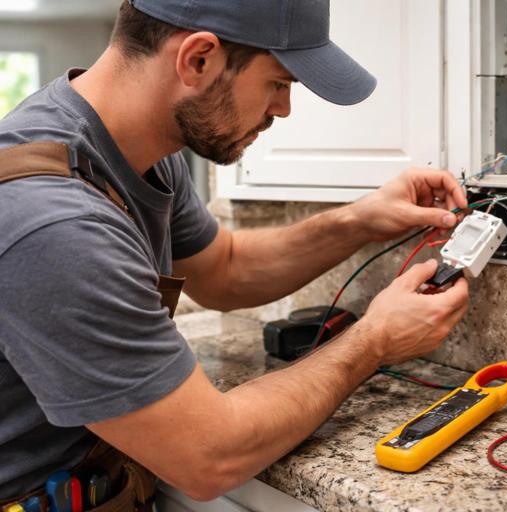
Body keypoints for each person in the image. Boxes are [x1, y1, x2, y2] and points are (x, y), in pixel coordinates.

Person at [0, 0, 469, 505]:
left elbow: (224, 270)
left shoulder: (136, 150)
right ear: (198, 59)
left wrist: (358, 221)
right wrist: (374, 340)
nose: (284, 108)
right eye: (279, 82)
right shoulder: (54, 222)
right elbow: (209, 455)